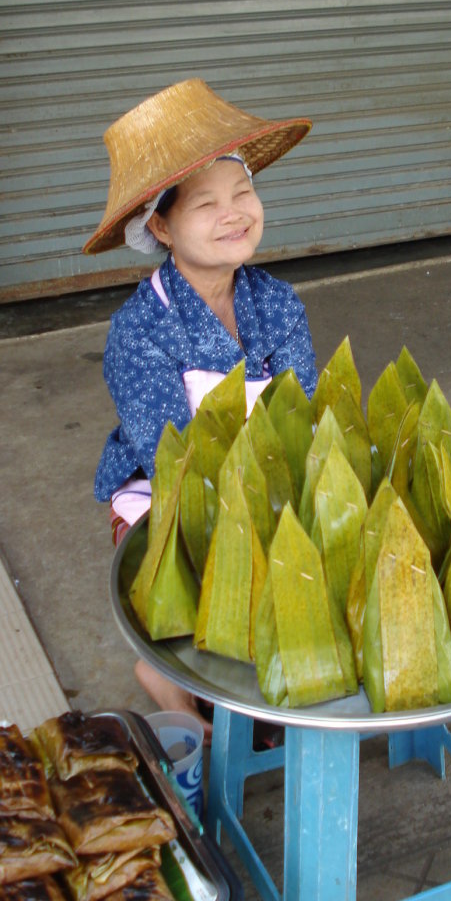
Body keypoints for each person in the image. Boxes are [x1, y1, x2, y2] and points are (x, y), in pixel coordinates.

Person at [83, 78, 317, 738]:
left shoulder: (277, 302)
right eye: (206, 204)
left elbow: (302, 418)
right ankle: (170, 681)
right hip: (172, 496)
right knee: (212, 617)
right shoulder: (142, 329)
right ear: (160, 225)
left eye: (244, 193)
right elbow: (171, 461)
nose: (235, 213)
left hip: (264, 482)